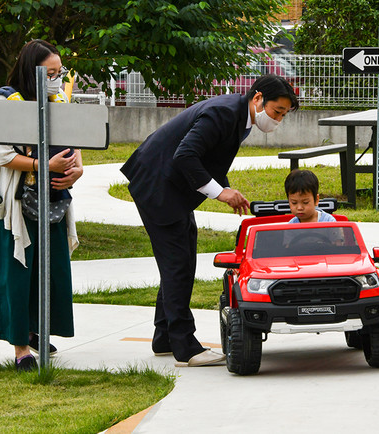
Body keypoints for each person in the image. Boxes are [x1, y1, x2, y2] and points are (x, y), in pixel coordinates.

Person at [121, 74, 299, 367]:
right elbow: (186, 155)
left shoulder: (239, 117)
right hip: (158, 186)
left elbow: (209, 158)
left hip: (171, 188)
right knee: (177, 264)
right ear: (257, 99)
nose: (277, 120)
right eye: (276, 111)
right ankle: (185, 347)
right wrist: (220, 193)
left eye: (282, 115)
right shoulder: (224, 113)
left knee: (182, 259)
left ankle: (164, 336)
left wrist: (227, 188)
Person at [0, 39, 83, 372]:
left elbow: (76, 149)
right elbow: (4, 156)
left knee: (49, 273)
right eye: (49, 73)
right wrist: (44, 167)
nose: (55, 78)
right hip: (14, 206)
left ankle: (36, 330)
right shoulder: (6, 102)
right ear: (31, 71)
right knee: (18, 275)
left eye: (58, 72)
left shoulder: (58, 100)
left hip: (52, 203)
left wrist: (75, 172)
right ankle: (20, 348)